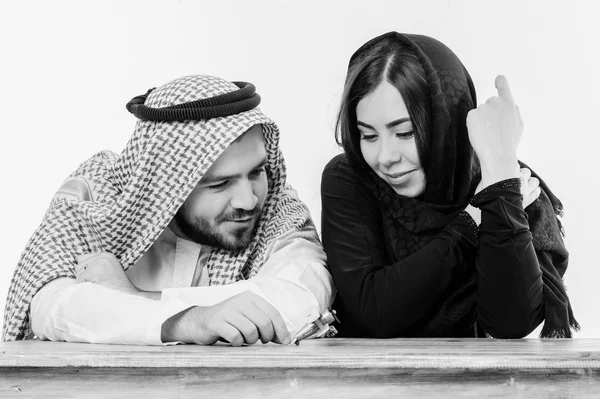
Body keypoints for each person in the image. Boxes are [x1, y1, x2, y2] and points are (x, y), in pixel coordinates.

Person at [3, 74, 334, 346]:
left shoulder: (278, 207)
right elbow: (53, 308)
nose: (248, 200)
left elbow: (297, 301)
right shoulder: (96, 197)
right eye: (220, 184)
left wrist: (130, 297)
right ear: (167, 184)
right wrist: (191, 321)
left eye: (256, 172)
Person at [321, 32, 577, 339]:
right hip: (361, 383)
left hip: (472, 383)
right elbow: (373, 311)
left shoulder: (504, 182)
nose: (385, 157)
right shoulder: (350, 177)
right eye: (369, 136)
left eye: (404, 133)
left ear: (447, 123)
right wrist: (472, 223)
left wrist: (499, 180)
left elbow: (512, 322)